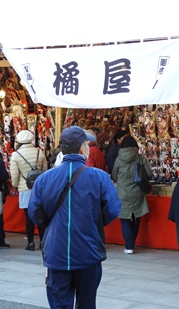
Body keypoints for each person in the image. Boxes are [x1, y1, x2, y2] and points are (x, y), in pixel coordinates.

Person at [28, 126, 121, 309]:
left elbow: (35, 212)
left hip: (56, 251)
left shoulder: (45, 179)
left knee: (59, 304)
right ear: (82, 148)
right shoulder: (100, 177)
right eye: (86, 143)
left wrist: (51, 224)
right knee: (87, 303)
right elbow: (112, 209)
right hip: (88, 250)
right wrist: (93, 221)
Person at [112, 135, 152, 254]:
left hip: (123, 193)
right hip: (137, 192)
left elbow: (114, 175)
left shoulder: (118, 159)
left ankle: (129, 246)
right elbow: (149, 173)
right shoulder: (140, 158)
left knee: (125, 219)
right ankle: (131, 244)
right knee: (136, 218)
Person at [10, 129, 48, 251]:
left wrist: (15, 186)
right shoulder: (39, 152)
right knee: (40, 215)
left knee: (29, 217)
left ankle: (30, 242)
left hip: (24, 187)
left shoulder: (16, 155)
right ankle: (42, 241)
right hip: (40, 188)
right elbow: (45, 171)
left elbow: (15, 174)